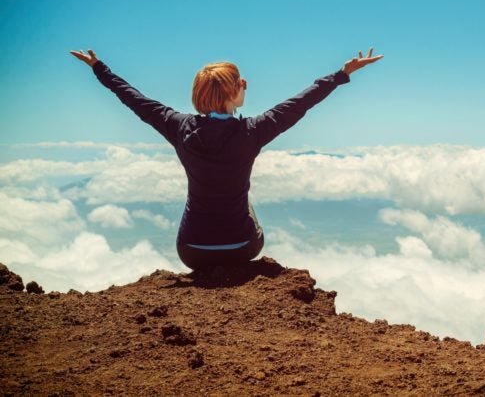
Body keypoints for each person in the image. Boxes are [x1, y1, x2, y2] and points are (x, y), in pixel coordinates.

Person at [69, 47, 384, 272]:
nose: (244, 86)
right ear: (234, 93)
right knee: (244, 199)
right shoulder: (254, 131)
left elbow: (132, 97)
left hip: (192, 252)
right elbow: (301, 103)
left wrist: (99, 67)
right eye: (241, 83)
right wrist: (342, 74)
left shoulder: (177, 126)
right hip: (242, 249)